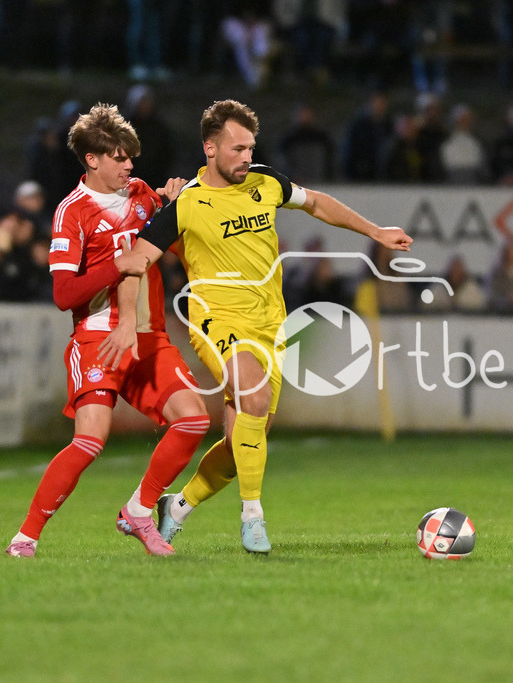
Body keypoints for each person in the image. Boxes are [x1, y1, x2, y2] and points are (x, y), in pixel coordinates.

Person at [123, 99, 413, 554]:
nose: (245, 156)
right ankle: (252, 517)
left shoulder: (266, 181)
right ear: (210, 149)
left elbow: (315, 202)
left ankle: (175, 508)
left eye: (250, 147)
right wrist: (111, 289)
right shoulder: (186, 205)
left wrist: (374, 231)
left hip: (271, 324)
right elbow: (139, 257)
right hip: (215, 318)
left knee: (245, 441)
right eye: (236, 148)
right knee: (253, 397)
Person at [5, 104, 210, 558]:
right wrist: (115, 265)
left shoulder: (142, 195)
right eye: (119, 157)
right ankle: (26, 538)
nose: (129, 165)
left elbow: (174, 247)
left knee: (194, 419)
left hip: (149, 335)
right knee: (90, 439)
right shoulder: (71, 213)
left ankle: (138, 511)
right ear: (92, 160)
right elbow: (63, 294)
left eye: (130, 156)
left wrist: (180, 206)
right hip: (98, 338)